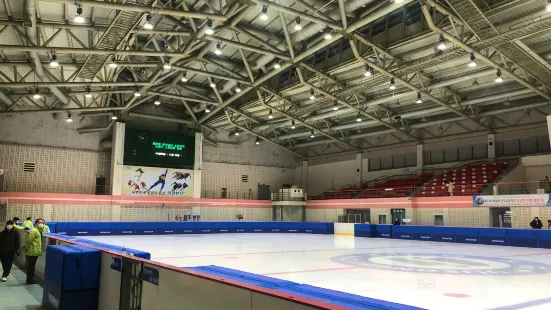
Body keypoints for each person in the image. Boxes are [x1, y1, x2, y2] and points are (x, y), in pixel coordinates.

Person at [25, 219, 45, 284]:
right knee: (31, 267)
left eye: (43, 223)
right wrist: (26, 248)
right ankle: (29, 280)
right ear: (36, 223)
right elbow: (29, 240)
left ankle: (30, 279)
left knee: (32, 266)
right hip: (32, 252)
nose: (41, 224)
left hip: (35, 251)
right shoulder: (34, 231)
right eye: (40, 222)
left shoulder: (39, 231)